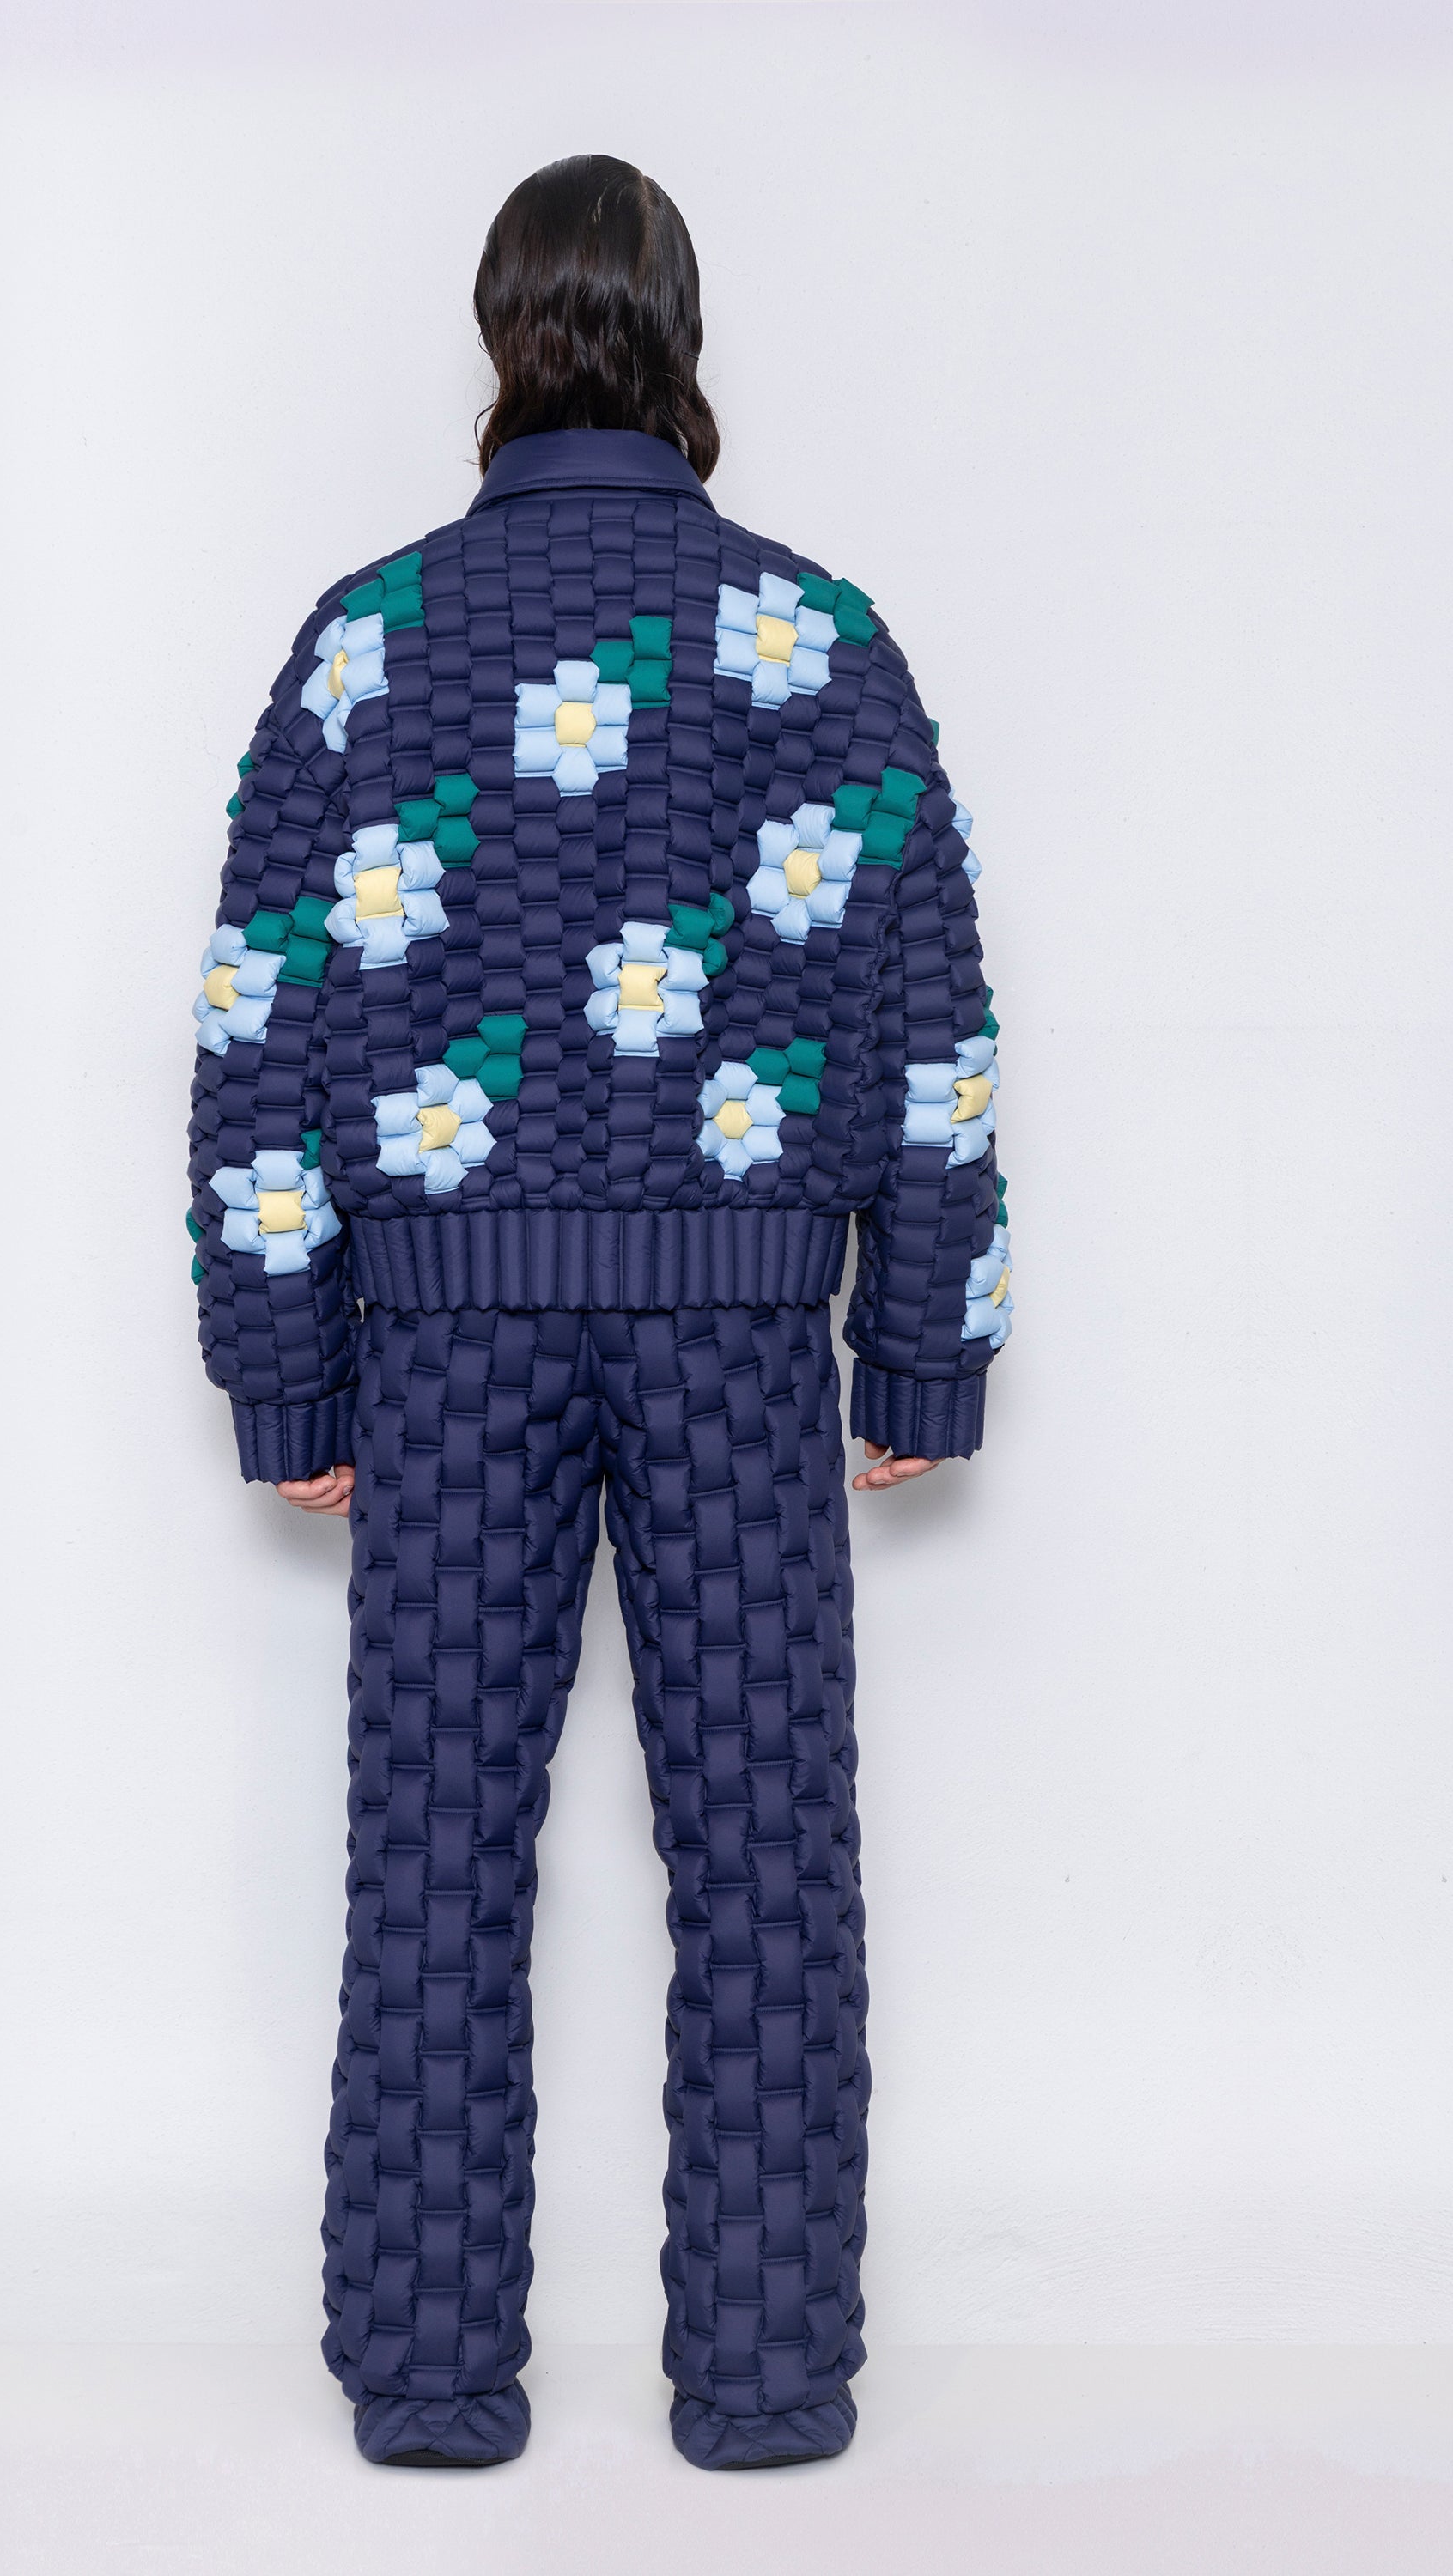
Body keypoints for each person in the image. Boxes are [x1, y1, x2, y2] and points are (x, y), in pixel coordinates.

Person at [186, 155, 1011, 2473]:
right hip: (740, 1334)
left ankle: (429, 2376)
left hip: (448, 1341)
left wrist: (287, 1368)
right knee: (766, 1863)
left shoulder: (367, 644)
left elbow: (258, 1025)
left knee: (433, 1858)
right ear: (682, 336)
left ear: (500, 337)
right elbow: (932, 1018)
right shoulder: (820, 641)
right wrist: (925, 1338)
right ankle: (766, 2377)